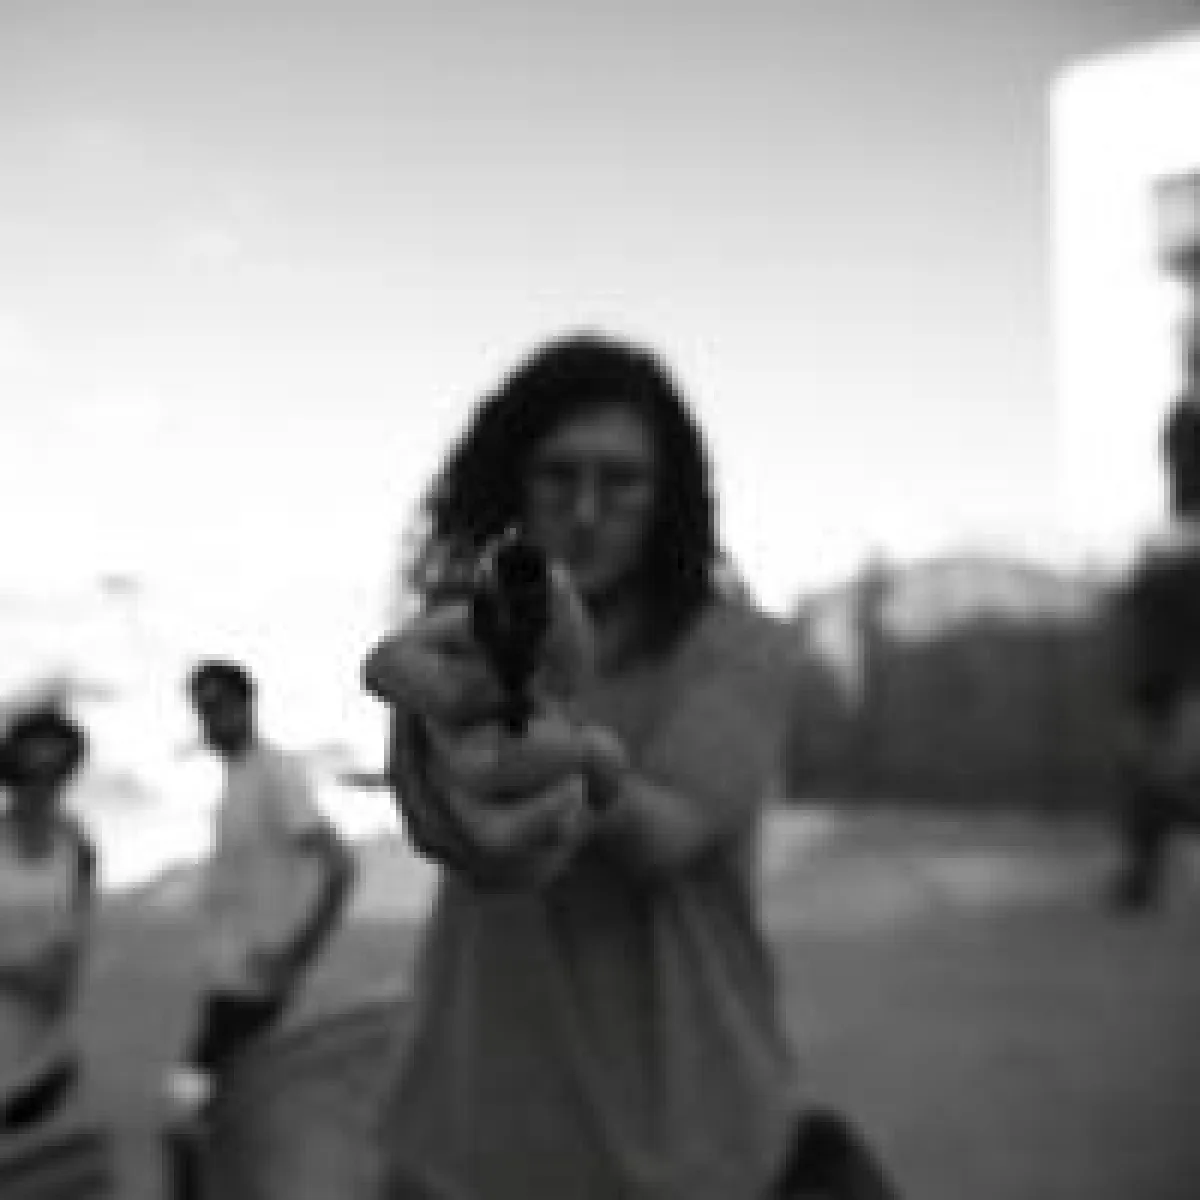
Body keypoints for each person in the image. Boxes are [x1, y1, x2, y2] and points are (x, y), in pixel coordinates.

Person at [362, 332, 899, 1199]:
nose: (585, 510)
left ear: (667, 497)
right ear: (513, 482)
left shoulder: (741, 648)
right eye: (558, 475)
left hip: (681, 1134)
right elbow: (445, 793)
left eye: (620, 481)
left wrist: (558, 763)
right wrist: (441, 756)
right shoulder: (464, 635)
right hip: (461, 1128)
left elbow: (667, 833)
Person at [162, 659, 357, 1180]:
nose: (210, 719)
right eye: (203, 709)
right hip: (228, 982)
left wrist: (298, 952)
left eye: (219, 706)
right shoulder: (239, 778)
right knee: (220, 1116)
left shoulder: (275, 774)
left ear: (247, 705)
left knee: (191, 1112)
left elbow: (339, 865)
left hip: (255, 988)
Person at [0, 702, 111, 1193]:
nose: (44, 781)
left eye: (57, 769)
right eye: (33, 768)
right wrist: (19, 973)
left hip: (45, 1061)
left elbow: (76, 938)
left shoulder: (77, 846)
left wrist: (61, 975)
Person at [1109, 391, 1200, 911]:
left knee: (1157, 761)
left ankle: (1143, 871)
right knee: (1151, 759)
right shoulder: (1165, 542)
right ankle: (1142, 870)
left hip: (1167, 668)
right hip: (1164, 668)